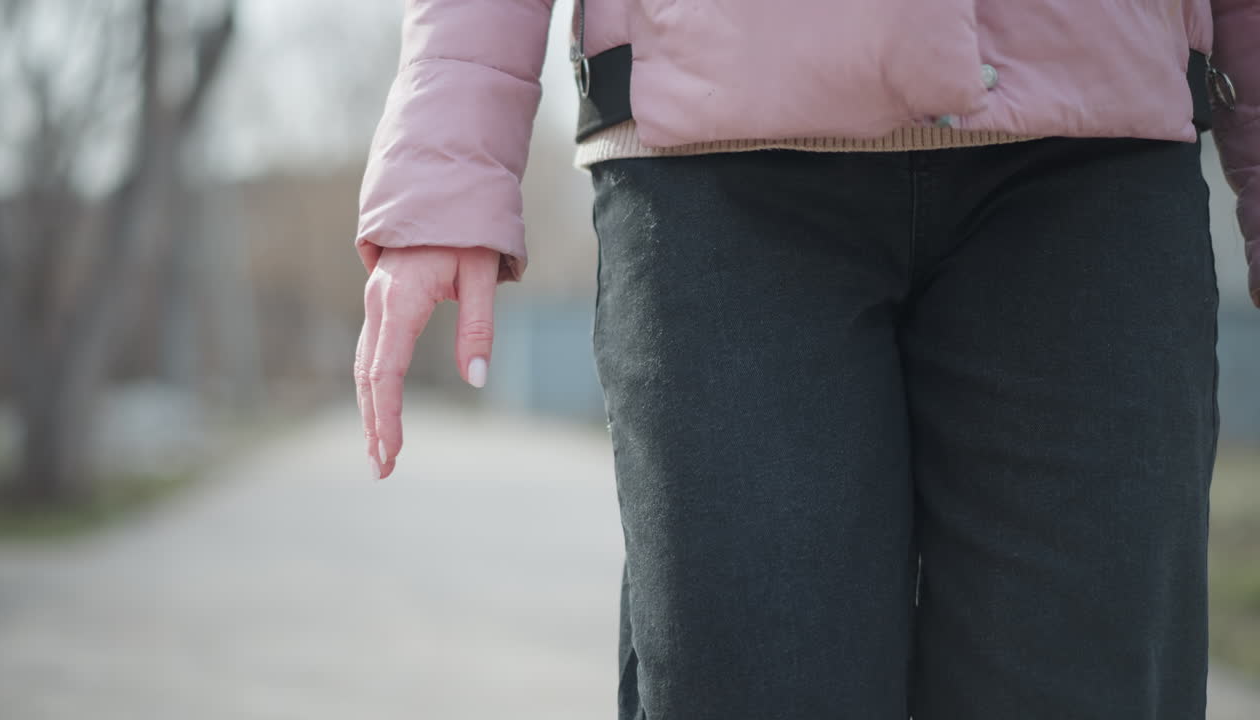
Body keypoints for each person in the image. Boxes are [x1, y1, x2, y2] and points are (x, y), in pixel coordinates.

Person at [352, 2, 1259, 718]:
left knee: (1090, 685)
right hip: (713, 152)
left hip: (1097, 152)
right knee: (751, 676)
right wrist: (447, 157)